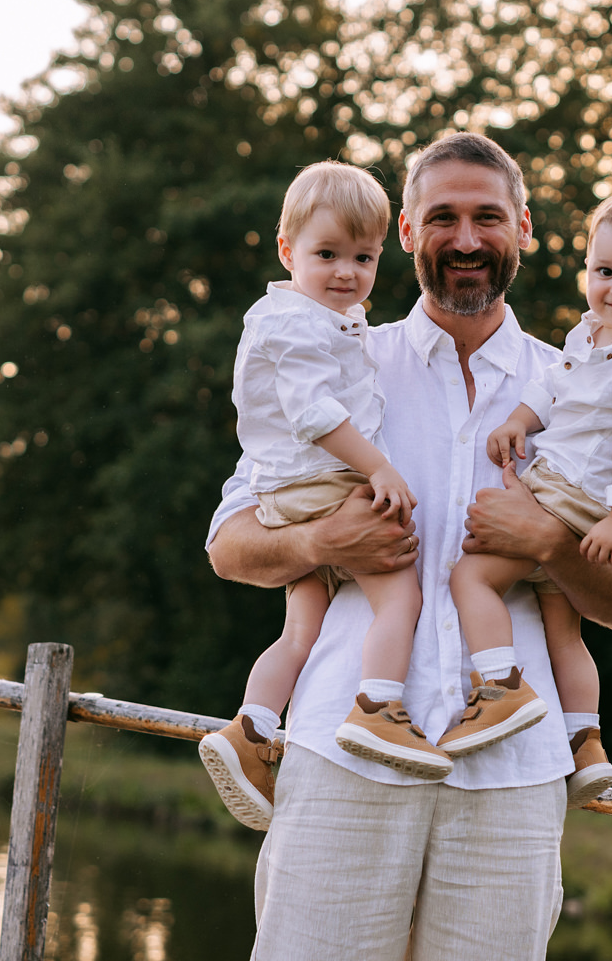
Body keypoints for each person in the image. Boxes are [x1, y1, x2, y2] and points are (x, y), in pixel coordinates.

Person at [206, 132, 612, 960]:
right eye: (442, 218)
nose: (466, 239)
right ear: (408, 234)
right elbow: (230, 544)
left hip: (513, 779)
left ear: (523, 228)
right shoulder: (338, 362)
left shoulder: (586, 384)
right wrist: (320, 536)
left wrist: (550, 546)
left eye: (488, 217)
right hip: (342, 756)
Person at [197, 161, 448, 835]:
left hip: (287, 491)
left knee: (301, 629)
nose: (347, 273)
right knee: (400, 594)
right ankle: (379, 708)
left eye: (363, 258)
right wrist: (381, 469)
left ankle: (251, 727)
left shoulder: (320, 319)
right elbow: (314, 414)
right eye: (327, 255)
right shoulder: (301, 325)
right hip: (319, 484)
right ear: (287, 251)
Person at [442, 187, 612, 811]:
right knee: (563, 627)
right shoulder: (591, 335)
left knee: (471, 576)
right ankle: (584, 742)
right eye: (604, 271)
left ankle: (499, 689)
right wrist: (521, 421)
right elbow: (552, 385)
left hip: (577, 497)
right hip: (571, 488)